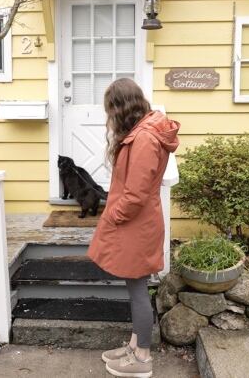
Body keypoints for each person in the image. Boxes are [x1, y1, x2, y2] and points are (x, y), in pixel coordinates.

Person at [87, 78, 180, 378]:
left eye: (110, 110)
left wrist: (112, 216)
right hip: (137, 224)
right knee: (134, 286)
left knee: (138, 289)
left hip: (136, 224)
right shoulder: (143, 133)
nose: (109, 117)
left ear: (120, 107)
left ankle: (142, 357)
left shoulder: (144, 139)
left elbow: (136, 194)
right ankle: (133, 345)